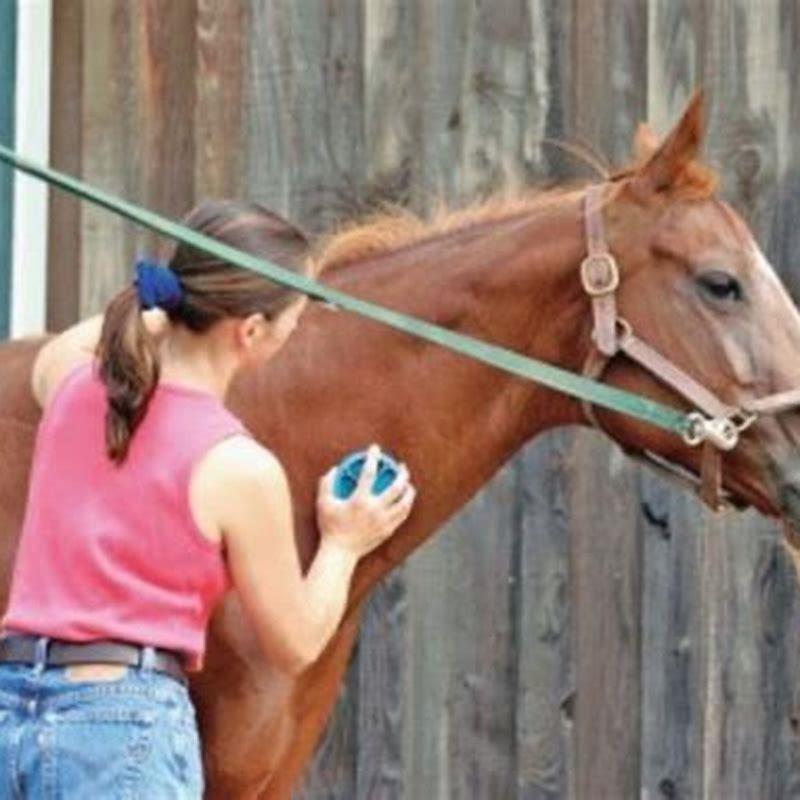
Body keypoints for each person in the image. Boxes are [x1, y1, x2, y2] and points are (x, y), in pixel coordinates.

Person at [0, 200, 417, 798]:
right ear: (250, 332)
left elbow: (78, 342)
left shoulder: (70, 386)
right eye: (291, 321)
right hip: (122, 729)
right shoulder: (236, 467)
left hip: (13, 708)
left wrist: (159, 317)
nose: (293, 332)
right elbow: (295, 642)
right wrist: (345, 545)